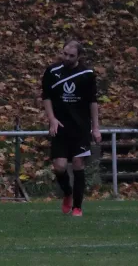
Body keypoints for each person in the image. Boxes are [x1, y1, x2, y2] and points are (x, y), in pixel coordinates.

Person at [41, 40, 101, 217]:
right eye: (64, 54)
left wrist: (95, 128)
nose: (66, 58)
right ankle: (67, 193)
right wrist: (51, 119)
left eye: (71, 56)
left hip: (81, 127)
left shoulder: (87, 74)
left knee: (77, 163)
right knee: (59, 166)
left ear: (79, 57)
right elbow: (46, 97)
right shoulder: (52, 72)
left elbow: (93, 102)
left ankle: (77, 206)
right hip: (60, 126)